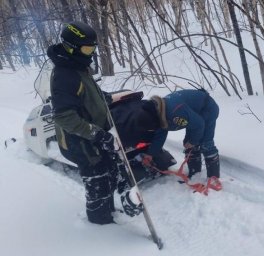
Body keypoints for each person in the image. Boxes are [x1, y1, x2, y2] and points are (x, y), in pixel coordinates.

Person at [47, 21, 142, 224]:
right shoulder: (64, 75)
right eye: (87, 48)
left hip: (93, 134)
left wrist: (105, 98)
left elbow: (87, 93)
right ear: (71, 46)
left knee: (109, 172)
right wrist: (99, 135)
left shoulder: (77, 65)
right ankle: (100, 223)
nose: (91, 53)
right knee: (98, 178)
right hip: (79, 141)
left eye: (93, 49)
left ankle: (109, 212)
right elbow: (64, 116)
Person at [136, 89, 220, 179]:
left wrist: (193, 141)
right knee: (189, 144)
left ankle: (213, 179)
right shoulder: (157, 113)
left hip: (207, 108)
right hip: (193, 115)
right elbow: (160, 134)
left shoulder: (175, 113)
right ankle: (195, 174)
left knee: (206, 143)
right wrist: (151, 153)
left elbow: (199, 125)